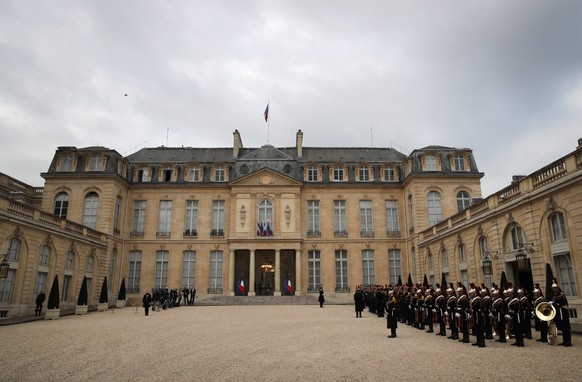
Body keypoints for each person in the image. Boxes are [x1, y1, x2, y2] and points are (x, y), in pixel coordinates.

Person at [552, 279, 572, 347]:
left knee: (566, 327)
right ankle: (565, 340)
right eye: (553, 288)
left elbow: (564, 303)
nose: (554, 289)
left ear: (557, 288)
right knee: (562, 327)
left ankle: (568, 341)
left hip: (563, 312)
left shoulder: (561, 295)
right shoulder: (555, 295)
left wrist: (557, 304)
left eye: (555, 288)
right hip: (559, 312)